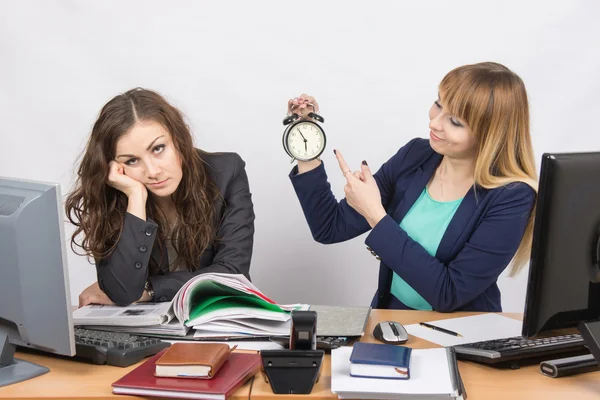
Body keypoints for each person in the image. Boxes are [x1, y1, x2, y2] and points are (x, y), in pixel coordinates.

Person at [288, 62, 537, 312]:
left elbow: (449, 293)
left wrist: (375, 214)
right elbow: (328, 227)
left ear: (490, 133)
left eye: (455, 121)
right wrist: (305, 141)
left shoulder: (512, 196)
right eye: (438, 104)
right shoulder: (416, 155)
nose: (435, 123)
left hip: (461, 333)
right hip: (394, 321)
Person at [66, 88, 255, 307]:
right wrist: (135, 197)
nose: (152, 171)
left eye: (158, 148)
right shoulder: (116, 194)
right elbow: (123, 292)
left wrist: (150, 289)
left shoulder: (226, 172)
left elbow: (233, 275)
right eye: (131, 161)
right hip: (149, 334)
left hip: (217, 321)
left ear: (178, 138)